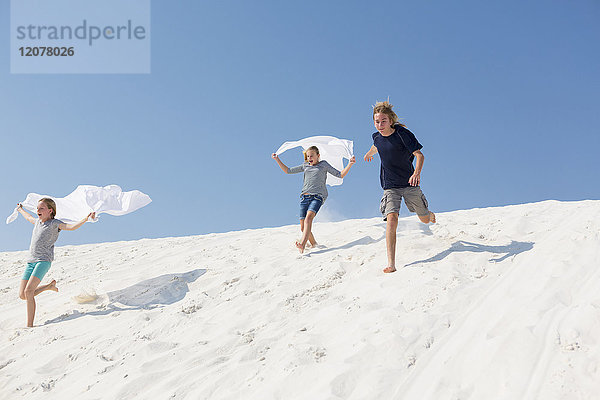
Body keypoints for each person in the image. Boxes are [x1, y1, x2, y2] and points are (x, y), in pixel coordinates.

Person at [364, 101, 436, 273]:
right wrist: (369, 153)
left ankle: (430, 215)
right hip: (390, 185)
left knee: (424, 219)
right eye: (377, 122)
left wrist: (416, 173)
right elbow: (377, 145)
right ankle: (391, 263)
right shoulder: (376, 136)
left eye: (383, 121)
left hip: (409, 183)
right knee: (392, 219)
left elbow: (419, 155)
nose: (380, 125)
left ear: (390, 120)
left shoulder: (402, 134)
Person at [16, 198, 95, 327]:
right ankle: (48, 287)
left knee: (29, 292)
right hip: (31, 262)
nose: (38, 210)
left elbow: (71, 227)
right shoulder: (37, 222)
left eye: (41, 208)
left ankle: (29, 325)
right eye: (37, 208)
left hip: (43, 261)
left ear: (50, 210)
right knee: (22, 295)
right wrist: (20, 209)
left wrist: (86, 219)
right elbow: (28, 217)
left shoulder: (54, 224)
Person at [272, 146, 355, 253]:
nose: (309, 158)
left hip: (318, 196)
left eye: (312, 156)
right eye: (308, 156)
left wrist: (350, 164)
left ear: (318, 156)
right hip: (304, 198)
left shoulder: (323, 165)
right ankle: (314, 244)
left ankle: (302, 244)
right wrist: (277, 159)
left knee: (309, 219)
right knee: (303, 227)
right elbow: (288, 170)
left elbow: (340, 174)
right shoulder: (305, 166)